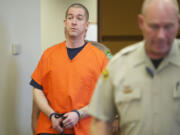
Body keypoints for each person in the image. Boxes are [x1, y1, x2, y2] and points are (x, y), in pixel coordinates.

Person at [88, 0, 180, 135]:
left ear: (178, 22)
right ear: (141, 23)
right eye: (154, 27)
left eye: (168, 26)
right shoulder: (118, 65)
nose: (161, 35)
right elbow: (101, 120)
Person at [30, 3, 109, 135]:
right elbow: (37, 89)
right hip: (51, 126)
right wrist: (52, 115)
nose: (74, 22)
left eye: (79, 18)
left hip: (86, 126)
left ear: (87, 25)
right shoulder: (49, 54)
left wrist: (79, 114)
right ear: (65, 22)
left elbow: (107, 96)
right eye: (70, 17)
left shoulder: (101, 58)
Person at [31, 40, 112, 135]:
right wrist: (36, 125)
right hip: (52, 126)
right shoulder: (51, 56)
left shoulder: (103, 56)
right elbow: (37, 98)